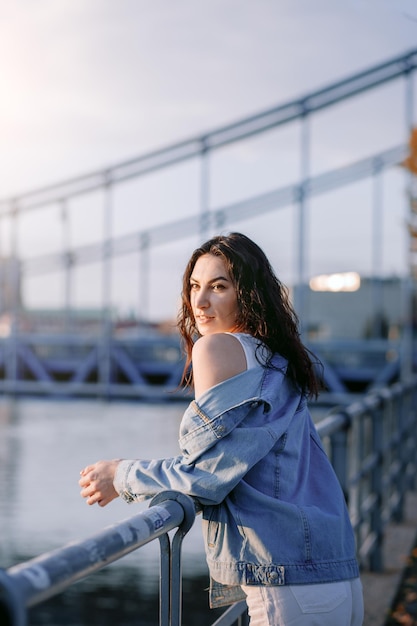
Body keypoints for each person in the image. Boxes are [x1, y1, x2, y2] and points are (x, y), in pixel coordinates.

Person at [79, 232, 364, 625]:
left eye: (219, 287)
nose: (199, 301)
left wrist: (121, 475)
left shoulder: (214, 348)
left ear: (247, 294)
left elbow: (207, 477)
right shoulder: (277, 358)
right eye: (195, 286)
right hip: (338, 578)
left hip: (285, 587)